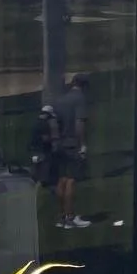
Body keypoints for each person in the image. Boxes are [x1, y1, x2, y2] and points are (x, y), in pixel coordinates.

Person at [44, 73, 90, 229]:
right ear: (84, 86)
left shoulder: (61, 100)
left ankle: (61, 217)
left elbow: (53, 122)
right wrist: (82, 144)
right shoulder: (80, 99)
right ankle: (70, 218)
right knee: (71, 180)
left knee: (61, 179)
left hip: (59, 144)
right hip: (71, 144)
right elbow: (79, 123)